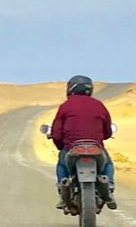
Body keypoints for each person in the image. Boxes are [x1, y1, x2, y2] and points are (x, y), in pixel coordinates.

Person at [50, 74, 117, 210]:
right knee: (108, 165)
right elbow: (107, 131)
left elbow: (56, 132)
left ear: (71, 88)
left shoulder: (65, 106)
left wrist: (60, 146)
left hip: (72, 148)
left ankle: (63, 190)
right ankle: (109, 187)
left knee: (62, 165)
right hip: (95, 148)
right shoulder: (99, 105)